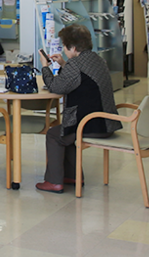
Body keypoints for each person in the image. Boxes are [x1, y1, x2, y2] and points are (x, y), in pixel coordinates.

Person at [36, 24, 120, 193]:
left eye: (65, 47)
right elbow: (81, 76)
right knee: (66, 130)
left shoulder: (75, 65)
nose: (64, 50)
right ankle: (72, 176)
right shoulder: (97, 59)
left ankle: (54, 181)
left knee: (55, 134)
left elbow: (55, 86)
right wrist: (64, 64)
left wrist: (45, 67)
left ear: (73, 48)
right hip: (107, 122)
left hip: (92, 124)